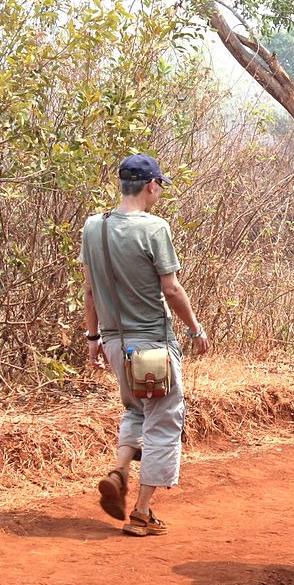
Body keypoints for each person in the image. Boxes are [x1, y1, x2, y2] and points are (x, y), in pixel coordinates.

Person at [81, 153, 210, 536]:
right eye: (159, 187)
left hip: (115, 344)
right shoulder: (154, 228)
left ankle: (119, 471)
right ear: (152, 185)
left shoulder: (92, 227)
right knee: (165, 421)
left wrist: (93, 338)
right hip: (153, 346)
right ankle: (141, 512)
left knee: (136, 411)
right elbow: (170, 288)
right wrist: (195, 329)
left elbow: (89, 290)